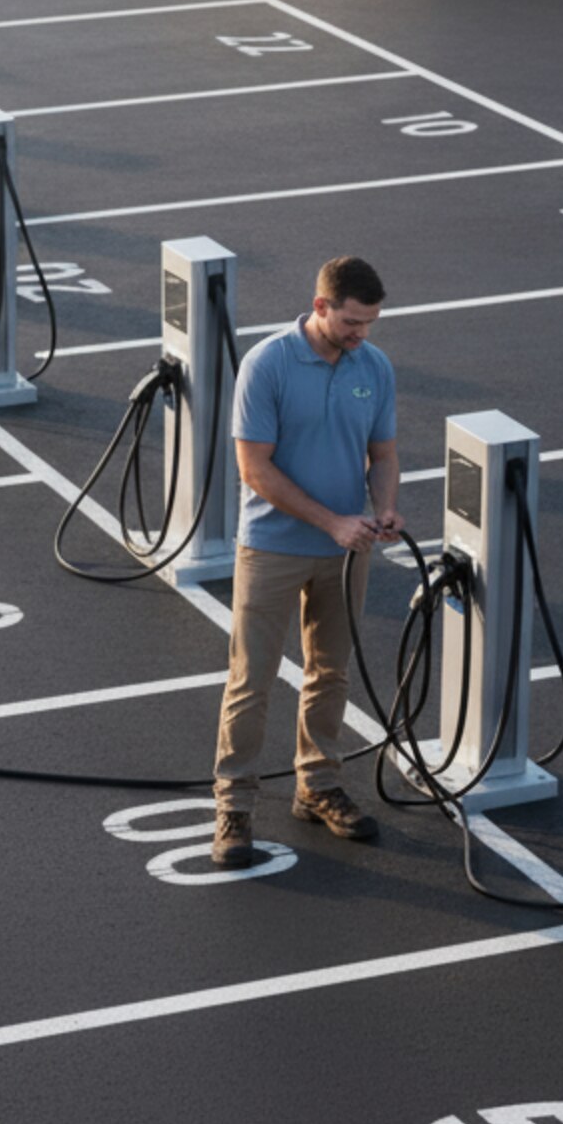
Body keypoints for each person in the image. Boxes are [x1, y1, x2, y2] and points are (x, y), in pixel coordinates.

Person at [211, 255, 402, 866]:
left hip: (345, 549)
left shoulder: (373, 367)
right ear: (320, 306)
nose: (361, 334)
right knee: (252, 681)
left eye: (370, 322)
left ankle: (317, 787)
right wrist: (334, 522)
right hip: (273, 547)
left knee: (331, 673)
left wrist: (386, 508)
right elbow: (254, 468)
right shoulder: (267, 364)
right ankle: (234, 807)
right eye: (351, 321)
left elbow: (384, 454)